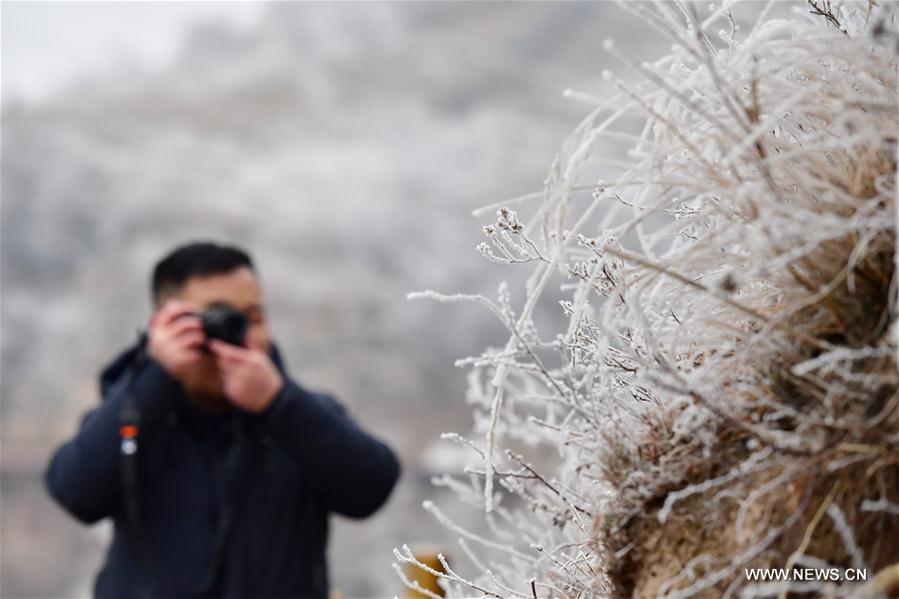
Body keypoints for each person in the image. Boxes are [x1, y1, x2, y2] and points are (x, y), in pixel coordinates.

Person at [44, 241, 401, 599]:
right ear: (166, 326)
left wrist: (279, 404)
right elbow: (75, 492)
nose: (242, 334)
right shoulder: (133, 418)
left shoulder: (300, 417)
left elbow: (371, 488)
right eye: (218, 319)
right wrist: (155, 377)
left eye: (255, 318)